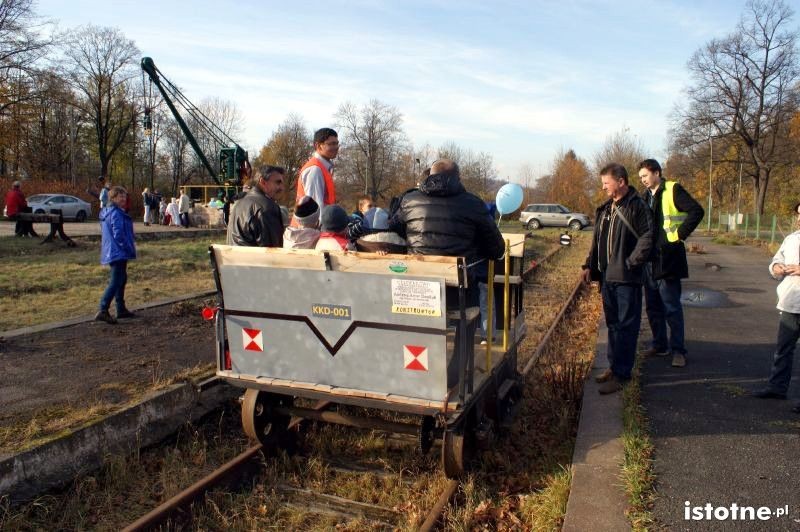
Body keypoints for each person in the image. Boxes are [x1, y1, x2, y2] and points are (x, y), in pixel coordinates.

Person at [389, 158, 505, 306]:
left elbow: (393, 231)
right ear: (458, 178)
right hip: (459, 295)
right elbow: (498, 250)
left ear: (429, 175)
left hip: (417, 291)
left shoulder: (408, 200)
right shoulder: (473, 203)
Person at [582, 163, 653, 394]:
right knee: (613, 325)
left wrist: (631, 262)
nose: (603, 187)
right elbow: (597, 242)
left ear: (621, 181)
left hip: (626, 278)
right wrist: (589, 266)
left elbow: (648, 236)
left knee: (626, 327)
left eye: (606, 183)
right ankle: (614, 367)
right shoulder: (605, 209)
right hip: (607, 278)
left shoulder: (637, 206)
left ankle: (623, 374)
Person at [638, 159, 704, 368]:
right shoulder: (645, 196)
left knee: (672, 308)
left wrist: (679, 235)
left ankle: (678, 351)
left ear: (657, 173)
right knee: (653, 307)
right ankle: (659, 344)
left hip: (668, 258)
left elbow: (697, 211)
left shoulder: (672, 189)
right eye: (640, 178)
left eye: (645, 176)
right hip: (650, 260)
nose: (643, 181)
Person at [754, 202, 800, 412]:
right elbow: (776, 259)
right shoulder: (792, 239)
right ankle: (777, 387)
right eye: (799, 214)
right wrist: (777, 268)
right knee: (783, 348)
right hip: (791, 301)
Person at [95, 186, 137, 324]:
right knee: (116, 280)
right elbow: (118, 233)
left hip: (112, 250)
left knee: (122, 278)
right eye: (121, 197)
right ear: (113, 198)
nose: (124, 199)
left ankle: (120, 308)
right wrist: (126, 246)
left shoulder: (107, 212)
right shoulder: (116, 213)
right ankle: (103, 309)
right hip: (118, 251)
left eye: (125, 196)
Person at [227, 165, 285, 247]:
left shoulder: (239, 203)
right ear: (263, 182)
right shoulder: (267, 208)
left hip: (232, 258)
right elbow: (273, 252)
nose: (282, 187)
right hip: (254, 259)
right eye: (278, 182)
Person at [294, 128, 339, 215]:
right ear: (318, 146)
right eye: (332, 144)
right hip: (312, 227)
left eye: (337, 143)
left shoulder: (322, 168)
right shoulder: (315, 170)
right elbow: (316, 209)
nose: (336, 147)